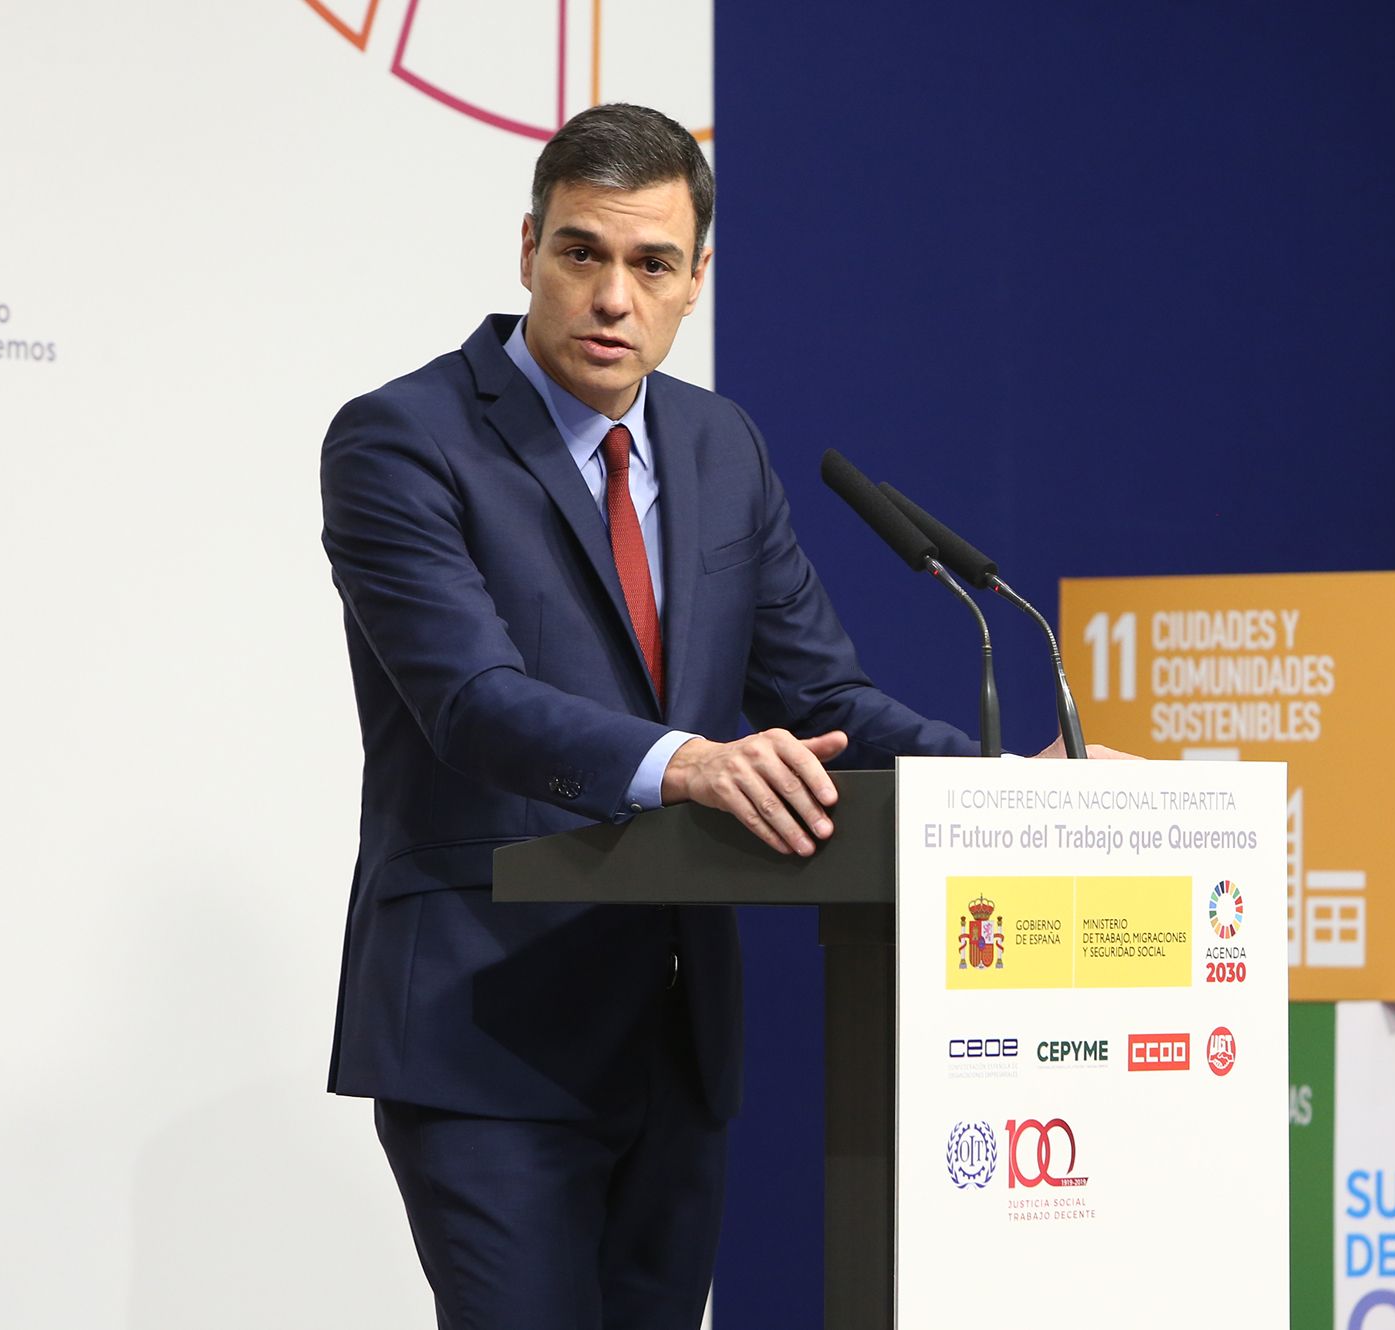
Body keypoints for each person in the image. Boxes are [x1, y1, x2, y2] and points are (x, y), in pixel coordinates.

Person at [319, 103, 986, 1328]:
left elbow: (823, 696)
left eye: (649, 264)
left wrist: (1002, 779)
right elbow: (470, 701)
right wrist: (683, 763)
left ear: (695, 280)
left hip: (674, 1030)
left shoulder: (718, 444)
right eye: (582, 253)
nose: (611, 296)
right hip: (484, 1028)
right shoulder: (401, 440)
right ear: (527, 249)